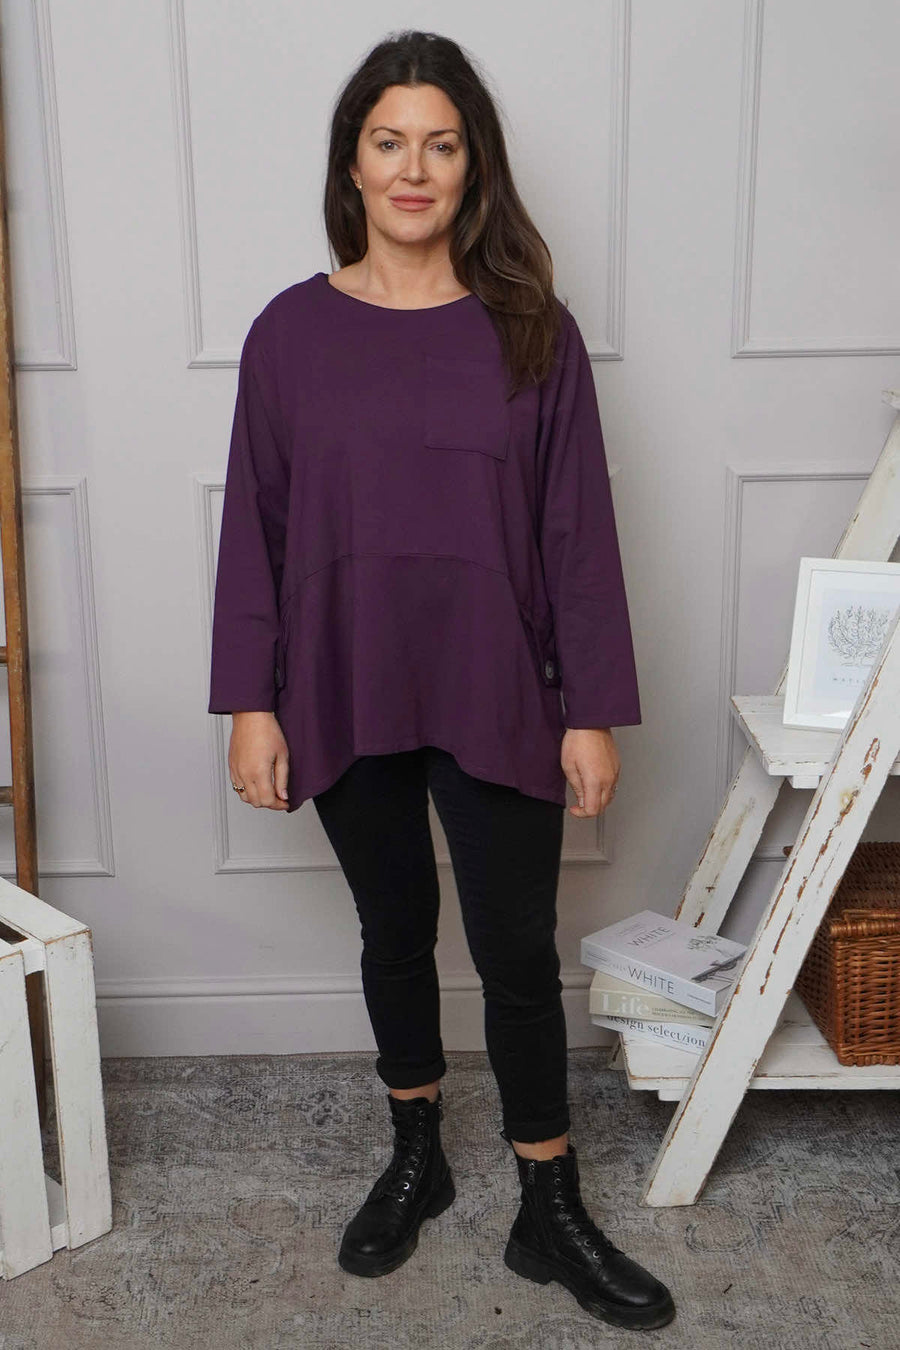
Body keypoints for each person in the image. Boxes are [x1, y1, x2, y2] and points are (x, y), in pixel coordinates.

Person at [208, 29, 676, 1332]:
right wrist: (251, 699)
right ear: (353, 164)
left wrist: (590, 709)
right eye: (389, 141)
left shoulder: (532, 332)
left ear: (474, 168)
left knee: (516, 944)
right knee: (393, 930)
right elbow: (256, 526)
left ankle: (549, 1201)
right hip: (341, 677)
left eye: (441, 144)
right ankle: (416, 1151)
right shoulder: (288, 336)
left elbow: (578, 533)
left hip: (499, 681)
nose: (414, 168)